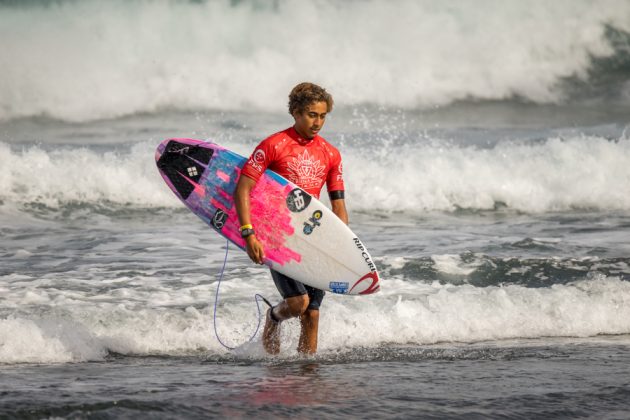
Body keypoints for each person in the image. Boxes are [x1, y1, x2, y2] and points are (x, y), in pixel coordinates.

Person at [234, 82, 348, 355]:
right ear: (295, 112)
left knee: (312, 314)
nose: (317, 122)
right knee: (298, 303)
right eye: (311, 114)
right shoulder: (273, 145)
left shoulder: (331, 153)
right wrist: (248, 233)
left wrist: (341, 244)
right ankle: (273, 316)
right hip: (278, 234)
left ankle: (305, 372)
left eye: (322, 116)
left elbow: (339, 205)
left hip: (313, 236)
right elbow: (243, 188)